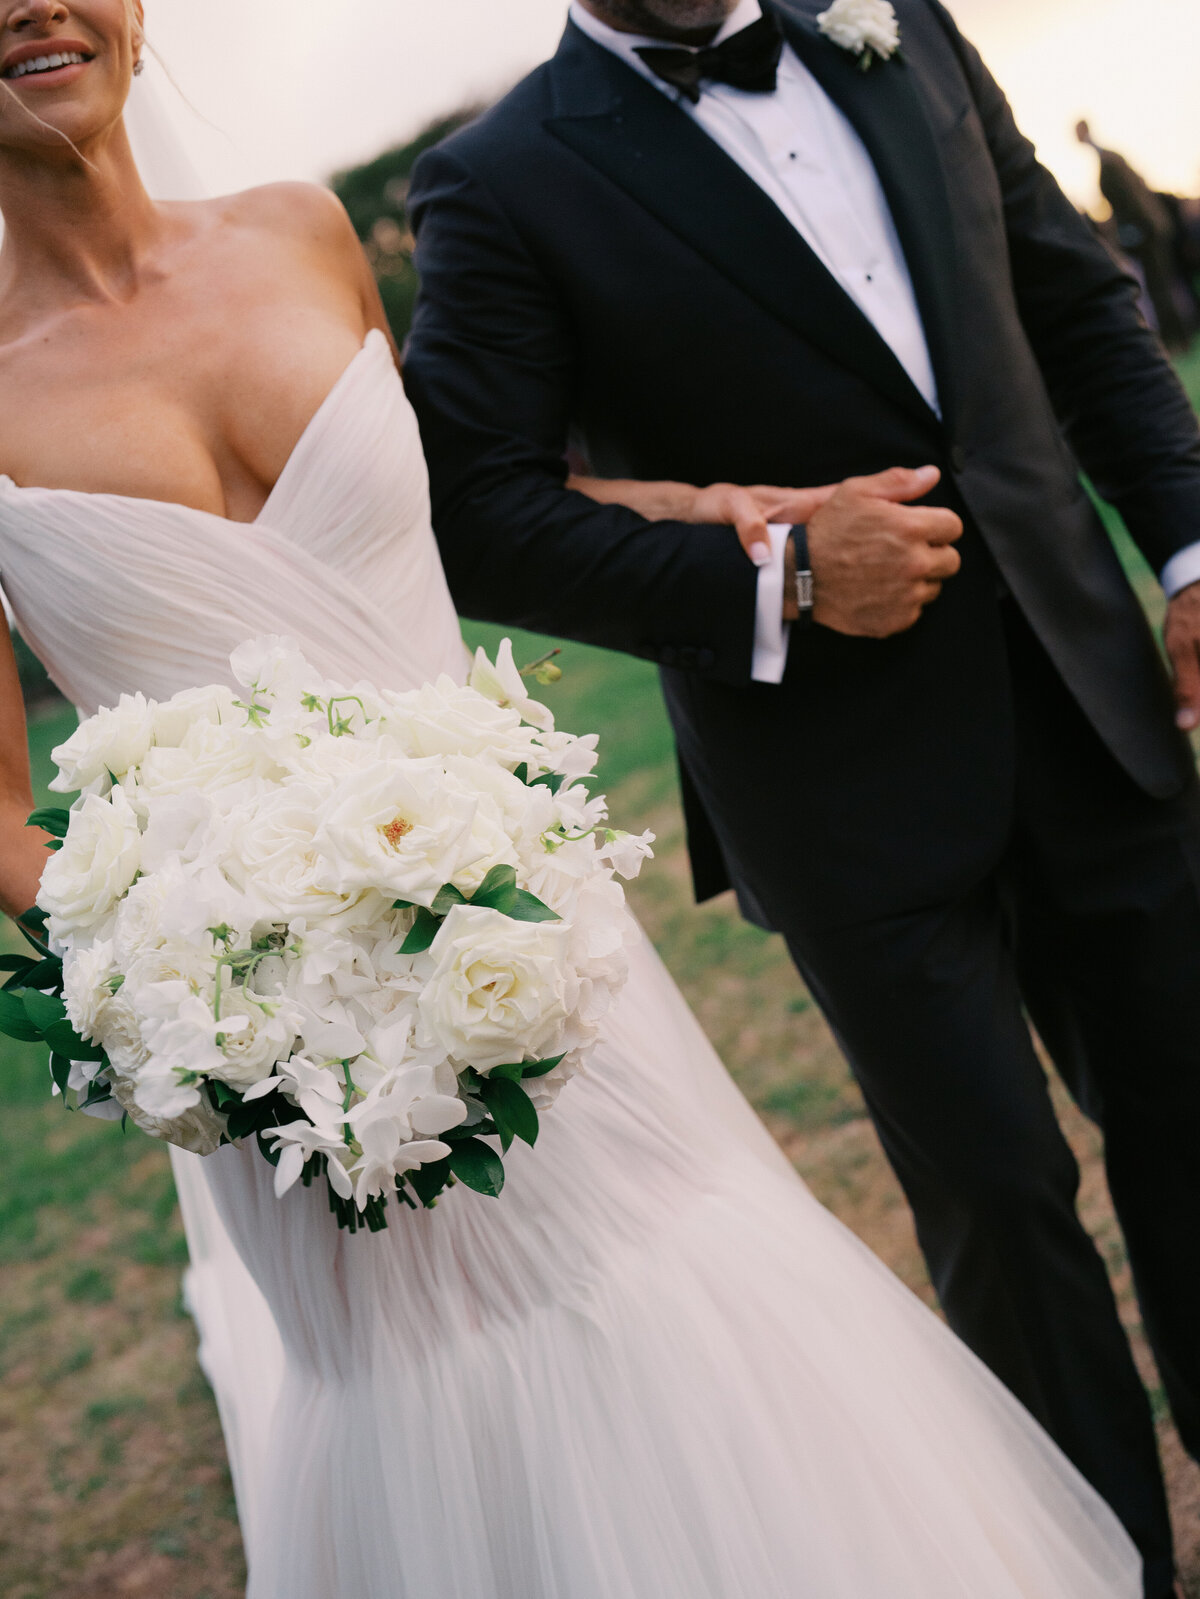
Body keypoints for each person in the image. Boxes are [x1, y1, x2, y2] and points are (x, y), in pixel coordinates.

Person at [0, 1, 1160, 1596]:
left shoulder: (304, 233)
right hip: (276, 1031)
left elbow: (456, 497)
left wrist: (714, 513)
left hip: (525, 925)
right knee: (442, 1388)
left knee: (693, 1292)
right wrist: (204, 965)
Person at [403, 4, 1200, 1595]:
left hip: (1095, 701)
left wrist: (1187, 549)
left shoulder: (899, 25)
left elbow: (1069, 299)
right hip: (842, 795)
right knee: (1003, 1204)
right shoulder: (499, 178)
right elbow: (473, 506)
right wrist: (777, 577)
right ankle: (1106, 1564)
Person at [1075, 119, 1194, 351]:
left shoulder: (1108, 160)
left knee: (1159, 286)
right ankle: (1176, 338)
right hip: (1147, 230)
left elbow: (1132, 201)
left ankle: (1177, 339)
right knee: (1160, 285)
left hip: (1146, 233)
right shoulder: (1109, 157)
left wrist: (1139, 231)